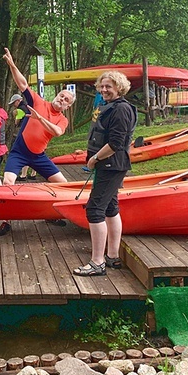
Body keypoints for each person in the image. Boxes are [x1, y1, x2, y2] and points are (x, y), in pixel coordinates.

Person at [0, 47, 76, 236]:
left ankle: (51, 213)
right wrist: (12, 64)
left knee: (63, 184)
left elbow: (56, 132)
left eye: (66, 100)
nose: (62, 99)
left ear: (68, 106)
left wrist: (40, 119)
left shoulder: (62, 120)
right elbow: (22, 84)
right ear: (57, 95)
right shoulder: (39, 102)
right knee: (8, 181)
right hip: (19, 152)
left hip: (38, 156)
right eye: (61, 95)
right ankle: (5, 220)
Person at [73, 71, 137, 277]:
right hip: (107, 165)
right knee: (110, 207)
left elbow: (116, 143)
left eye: (108, 86)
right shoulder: (106, 107)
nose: (104, 90)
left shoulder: (122, 110)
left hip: (111, 164)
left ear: (119, 87)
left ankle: (97, 262)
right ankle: (112, 256)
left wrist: (95, 159)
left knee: (94, 209)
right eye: (101, 86)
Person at [8, 93, 36, 181]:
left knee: (24, 152)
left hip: (24, 132)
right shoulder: (28, 107)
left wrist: (14, 116)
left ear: (18, 101)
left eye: (13, 103)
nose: (13, 105)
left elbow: (17, 122)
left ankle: (23, 175)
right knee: (33, 153)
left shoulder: (20, 109)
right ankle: (33, 173)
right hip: (33, 131)